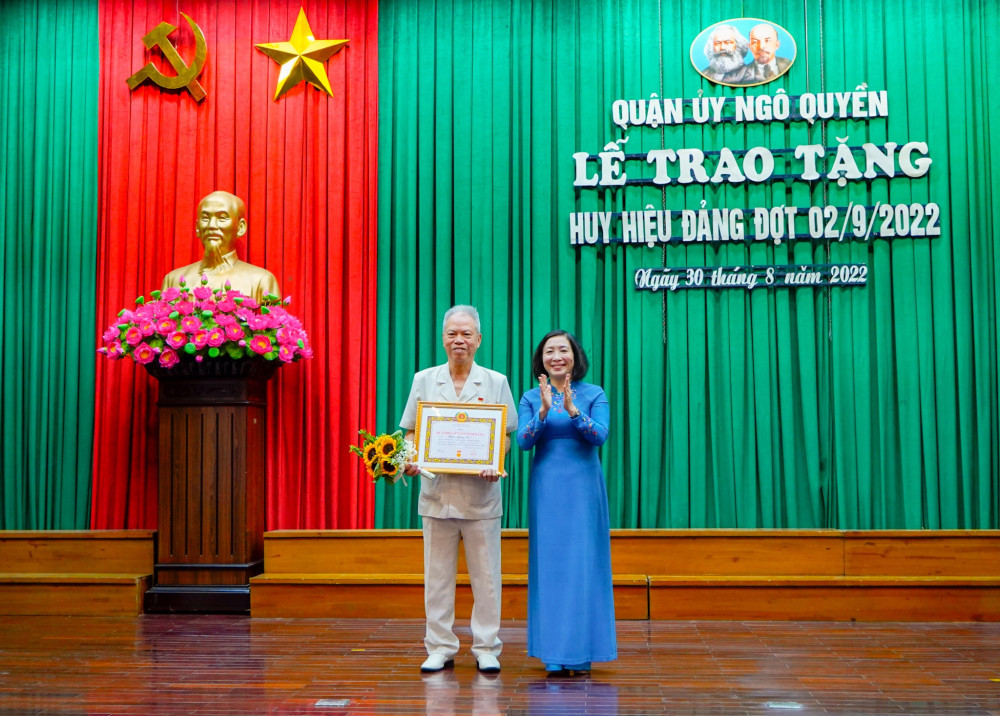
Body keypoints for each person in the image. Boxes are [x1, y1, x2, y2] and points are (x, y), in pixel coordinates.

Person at [400, 305, 518, 674]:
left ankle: (486, 647)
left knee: (487, 578)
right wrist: (410, 457)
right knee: (436, 578)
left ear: (479, 339)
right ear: (443, 338)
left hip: (481, 496)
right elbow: (411, 431)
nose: (459, 340)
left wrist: (495, 459)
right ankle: (439, 646)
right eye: (452, 333)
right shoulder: (424, 379)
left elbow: (505, 435)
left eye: (466, 334)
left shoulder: (496, 381)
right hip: (437, 494)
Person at [516, 330, 616, 675]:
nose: (556, 356)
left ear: (575, 356)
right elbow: (523, 442)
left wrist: (574, 411)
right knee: (550, 567)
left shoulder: (594, 393)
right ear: (541, 359)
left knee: (582, 566)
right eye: (549, 351)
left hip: (583, 489)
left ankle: (582, 651)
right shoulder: (531, 397)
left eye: (563, 350)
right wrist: (543, 412)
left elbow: (599, 436)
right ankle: (553, 653)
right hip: (547, 489)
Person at [162, 190, 280, 303]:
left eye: (222, 218)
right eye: (205, 218)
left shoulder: (261, 280)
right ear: (197, 228)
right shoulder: (173, 280)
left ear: (240, 227)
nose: (212, 225)